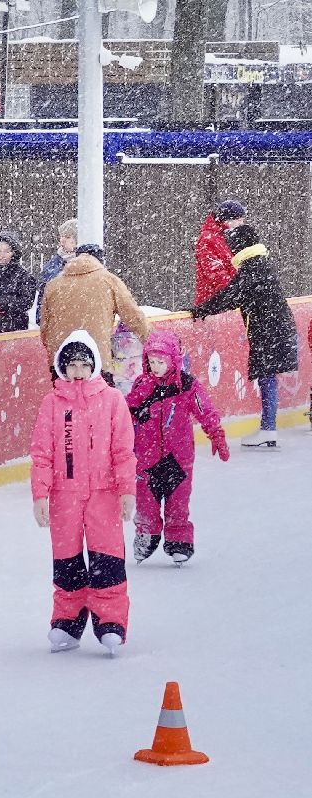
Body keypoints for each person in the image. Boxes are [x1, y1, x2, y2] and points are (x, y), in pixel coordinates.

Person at [31, 331, 136, 655]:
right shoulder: (52, 404)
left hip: (103, 495)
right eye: (72, 364)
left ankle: (111, 624)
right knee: (67, 562)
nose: (78, 371)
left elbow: (123, 450)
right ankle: (67, 622)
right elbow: (42, 454)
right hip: (65, 497)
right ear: (63, 367)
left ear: (94, 366)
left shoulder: (112, 401)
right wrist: (40, 496)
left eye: (84, 364)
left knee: (107, 560)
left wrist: (126, 491)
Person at [190, 225, 300, 450]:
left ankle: (268, 428)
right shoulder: (261, 264)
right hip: (276, 328)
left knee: (267, 376)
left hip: (269, 331)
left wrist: (201, 309)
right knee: (267, 376)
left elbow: (231, 296)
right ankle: (268, 427)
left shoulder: (252, 269)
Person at [126, 331, 228, 566]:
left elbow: (206, 411)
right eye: (151, 362)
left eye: (161, 362)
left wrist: (217, 435)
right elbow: (126, 412)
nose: (155, 367)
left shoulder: (187, 386)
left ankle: (179, 541)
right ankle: (146, 536)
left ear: (173, 360)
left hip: (178, 458)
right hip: (147, 457)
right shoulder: (142, 384)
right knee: (146, 502)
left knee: (178, 502)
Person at [37, 242, 151, 373]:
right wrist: (153, 341)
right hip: (97, 359)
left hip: (63, 360)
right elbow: (134, 317)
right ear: (100, 259)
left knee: (65, 393)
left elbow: (44, 326)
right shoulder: (109, 280)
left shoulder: (54, 284)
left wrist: (56, 352)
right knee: (98, 393)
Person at [193, 200, 241, 306]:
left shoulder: (224, 236)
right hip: (213, 303)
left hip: (225, 301)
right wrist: (234, 293)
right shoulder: (208, 238)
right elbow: (215, 271)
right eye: (239, 220)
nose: (241, 223)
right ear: (227, 220)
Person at [34, 218, 78, 328]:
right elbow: (43, 296)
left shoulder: (88, 263)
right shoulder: (53, 265)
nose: (62, 240)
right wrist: (43, 320)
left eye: (67, 237)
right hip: (56, 326)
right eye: (61, 236)